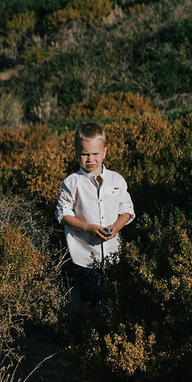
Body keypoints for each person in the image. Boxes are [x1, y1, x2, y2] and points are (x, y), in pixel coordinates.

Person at [55, 121, 134, 309]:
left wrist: (116, 227)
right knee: (88, 302)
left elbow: (127, 210)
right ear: (76, 153)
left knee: (114, 300)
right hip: (85, 258)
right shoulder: (72, 182)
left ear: (105, 152)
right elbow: (62, 214)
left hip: (114, 255)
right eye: (84, 154)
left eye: (95, 154)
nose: (90, 159)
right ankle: (83, 334)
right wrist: (88, 228)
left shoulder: (116, 180)